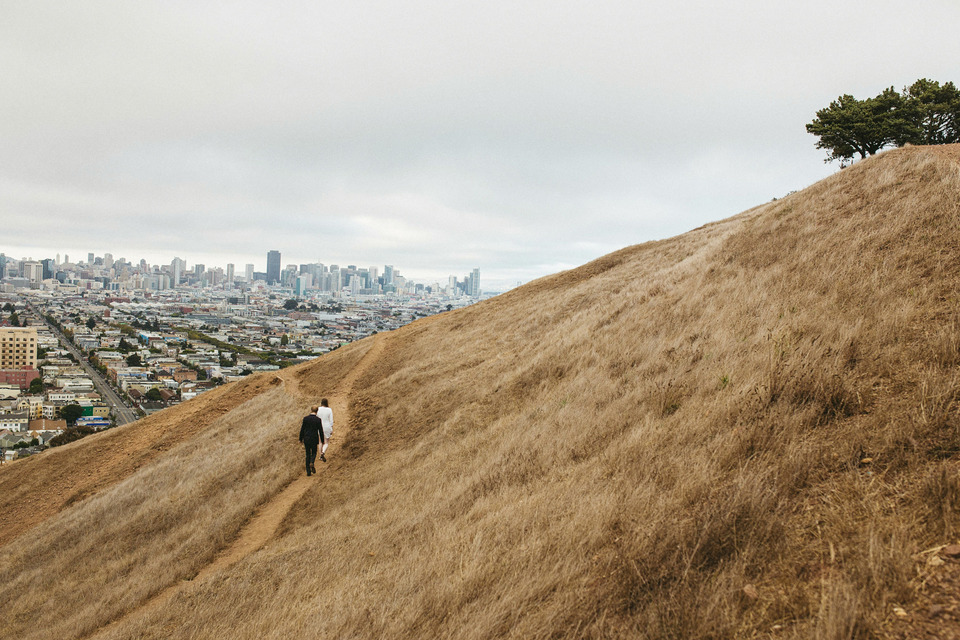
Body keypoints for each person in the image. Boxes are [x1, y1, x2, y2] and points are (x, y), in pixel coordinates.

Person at [298, 406, 325, 476]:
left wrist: (300, 439)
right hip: (314, 438)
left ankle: (308, 472)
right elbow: (321, 431)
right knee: (314, 452)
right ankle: (312, 462)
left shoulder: (306, 418)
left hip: (306, 438)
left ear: (311, 410)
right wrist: (322, 440)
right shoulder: (318, 420)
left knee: (307, 454)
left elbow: (302, 429)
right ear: (317, 411)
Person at [316, 398, 334, 462]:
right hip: (327, 426)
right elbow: (331, 420)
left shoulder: (318, 409)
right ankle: (323, 453)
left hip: (319, 426)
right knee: (326, 442)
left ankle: (320, 455)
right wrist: (331, 428)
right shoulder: (329, 410)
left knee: (320, 442)